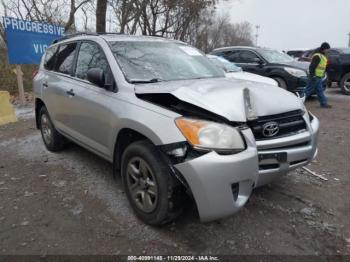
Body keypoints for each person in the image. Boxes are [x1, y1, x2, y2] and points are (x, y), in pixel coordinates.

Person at [303, 42, 332, 108]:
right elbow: (312, 67)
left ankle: (324, 103)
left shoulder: (322, 55)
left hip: (318, 76)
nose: (328, 51)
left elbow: (323, 67)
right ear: (324, 48)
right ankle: (298, 102)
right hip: (315, 76)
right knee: (307, 91)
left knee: (319, 90)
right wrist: (313, 75)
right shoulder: (318, 56)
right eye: (327, 49)